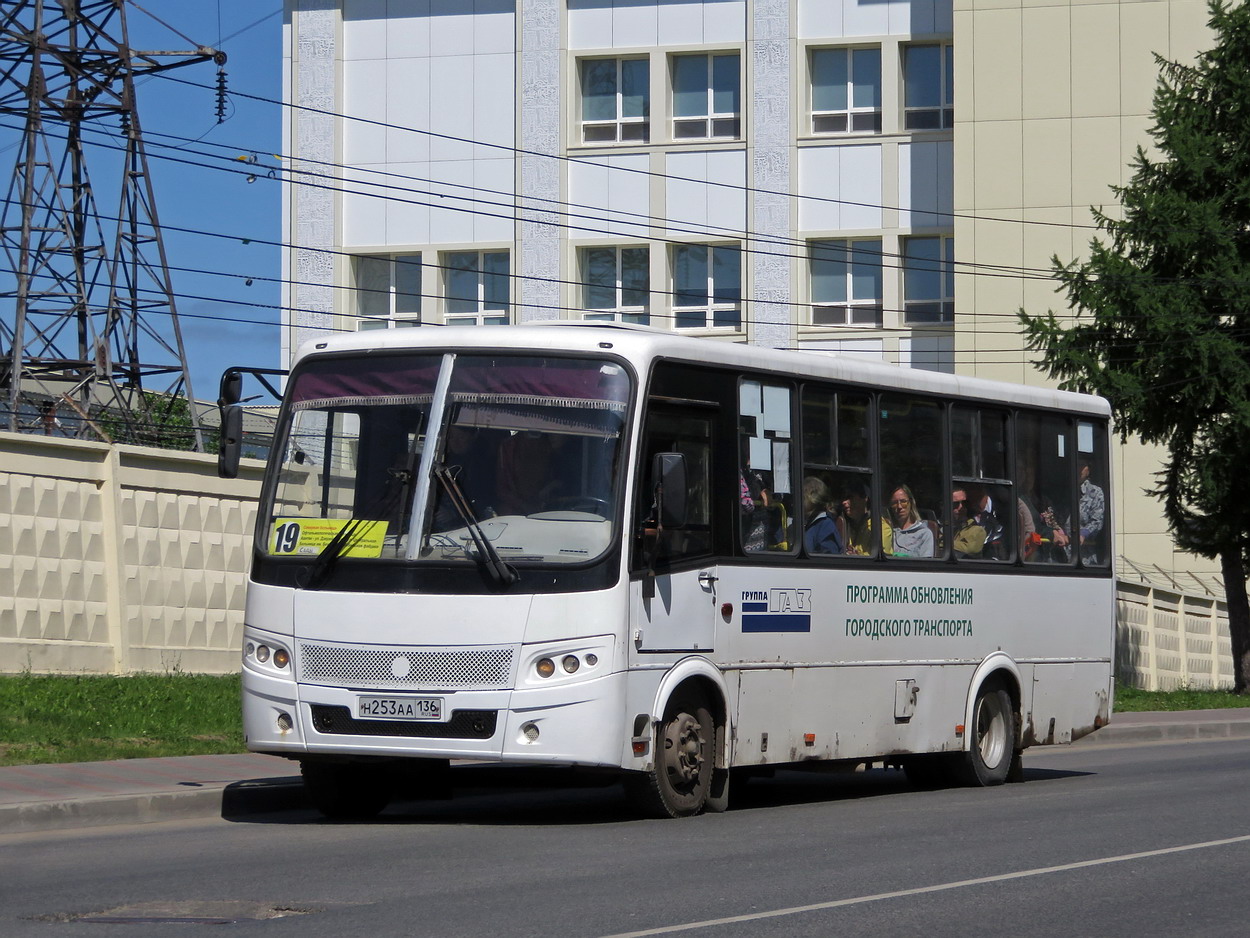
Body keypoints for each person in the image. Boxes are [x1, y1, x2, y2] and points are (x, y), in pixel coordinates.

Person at [841, 480, 891, 555]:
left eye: (850, 497)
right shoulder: (845, 526)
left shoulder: (881, 528)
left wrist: (857, 556)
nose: (844, 502)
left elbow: (882, 562)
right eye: (844, 498)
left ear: (865, 498)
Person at [887, 484, 933, 558]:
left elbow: (926, 565)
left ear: (911, 503)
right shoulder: (887, 531)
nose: (899, 506)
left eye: (903, 501)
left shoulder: (924, 533)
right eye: (894, 503)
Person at [802, 476, 843, 555]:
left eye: (803, 497)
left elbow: (829, 561)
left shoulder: (825, 525)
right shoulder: (809, 523)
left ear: (812, 498)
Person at [1077, 456, 1106, 563]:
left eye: (1082, 465)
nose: (1078, 469)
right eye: (1076, 465)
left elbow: (1097, 521)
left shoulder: (1095, 492)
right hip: (1061, 552)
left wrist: (1084, 533)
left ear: (1088, 470)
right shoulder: (1064, 491)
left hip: (1085, 556)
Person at [951, 487, 987, 558]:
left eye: (964, 503)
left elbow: (970, 548)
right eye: (955, 504)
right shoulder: (938, 527)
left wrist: (944, 542)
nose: (961, 507)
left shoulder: (977, 530)